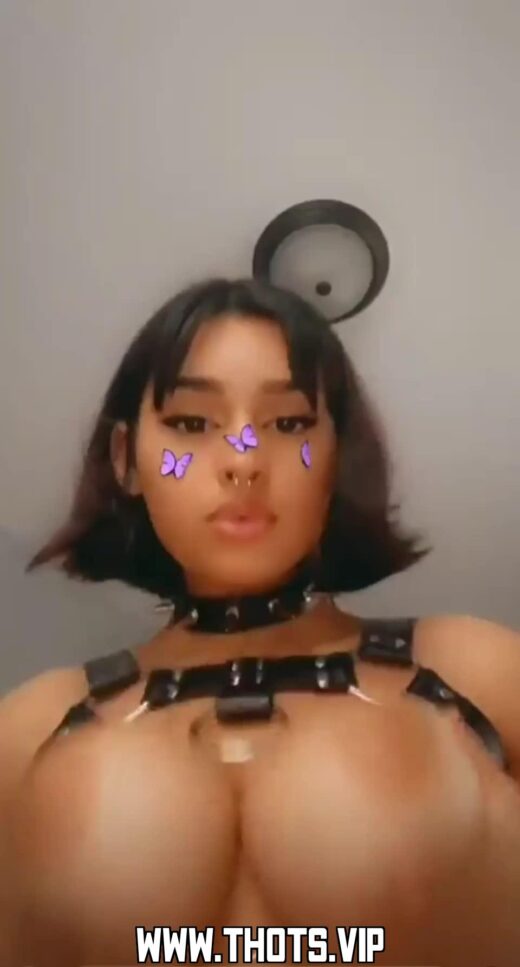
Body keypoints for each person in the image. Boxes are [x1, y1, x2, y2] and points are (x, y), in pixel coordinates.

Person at [0, 277, 519, 967]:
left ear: (336, 456)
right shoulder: (28, 730)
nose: (243, 458)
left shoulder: (481, 673)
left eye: (290, 424)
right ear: (127, 460)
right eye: (192, 423)